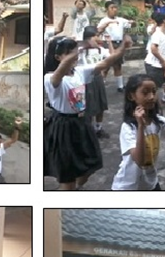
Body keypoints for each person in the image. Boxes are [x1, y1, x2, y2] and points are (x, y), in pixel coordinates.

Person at [43, 35, 131, 190]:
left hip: (83, 122)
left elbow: (105, 63)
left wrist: (123, 48)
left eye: (74, 51)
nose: (75, 56)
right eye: (68, 53)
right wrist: (74, 54)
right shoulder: (50, 78)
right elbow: (59, 74)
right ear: (57, 57)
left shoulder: (79, 72)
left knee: (92, 163)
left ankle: (77, 187)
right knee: (68, 175)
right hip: (64, 126)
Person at [110, 78, 165, 191]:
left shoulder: (158, 121)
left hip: (150, 183)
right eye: (145, 93)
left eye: (154, 92)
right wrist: (141, 127)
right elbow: (140, 161)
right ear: (131, 96)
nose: (151, 97)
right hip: (128, 186)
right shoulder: (128, 127)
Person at [80, 25, 111, 138]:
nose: (99, 38)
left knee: (100, 105)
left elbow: (111, 57)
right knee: (88, 106)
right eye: (96, 36)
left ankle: (98, 128)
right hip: (86, 80)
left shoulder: (100, 49)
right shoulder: (81, 50)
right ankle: (88, 130)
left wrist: (110, 43)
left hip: (98, 79)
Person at [96, 1, 134, 92]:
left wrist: (133, 23)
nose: (114, 10)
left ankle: (120, 86)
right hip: (107, 44)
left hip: (119, 44)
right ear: (107, 9)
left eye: (115, 8)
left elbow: (131, 25)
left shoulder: (120, 20)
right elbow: (98, 31)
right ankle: (100, 85)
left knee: (118, 65)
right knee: (105, 66)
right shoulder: (104, 20)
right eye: (112, 8)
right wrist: (107, 24)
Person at [143, 12, 165, 107]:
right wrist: (162, 61)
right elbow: (153, 49)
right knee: (154, 86)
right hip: (154, 65)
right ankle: (153, 104)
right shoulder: (157, 34)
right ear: (164, 21)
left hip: (163, 64)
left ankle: (164, 99)